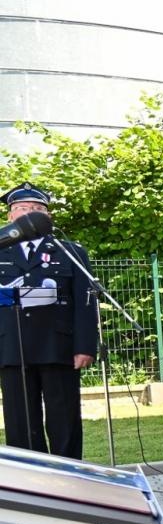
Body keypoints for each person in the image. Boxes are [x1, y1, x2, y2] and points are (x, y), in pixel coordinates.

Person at [0, 182, 98, 458]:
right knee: (20, 422)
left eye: (37, 209)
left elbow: (85, 302)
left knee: (64, 418)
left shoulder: (70, 252)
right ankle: (31, 481)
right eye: (22, 209)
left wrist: (85, 346)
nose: (29, 213)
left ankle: (69, 478)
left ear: (48, 216)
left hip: (58, 346)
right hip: (12, 347)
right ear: (10, 216)